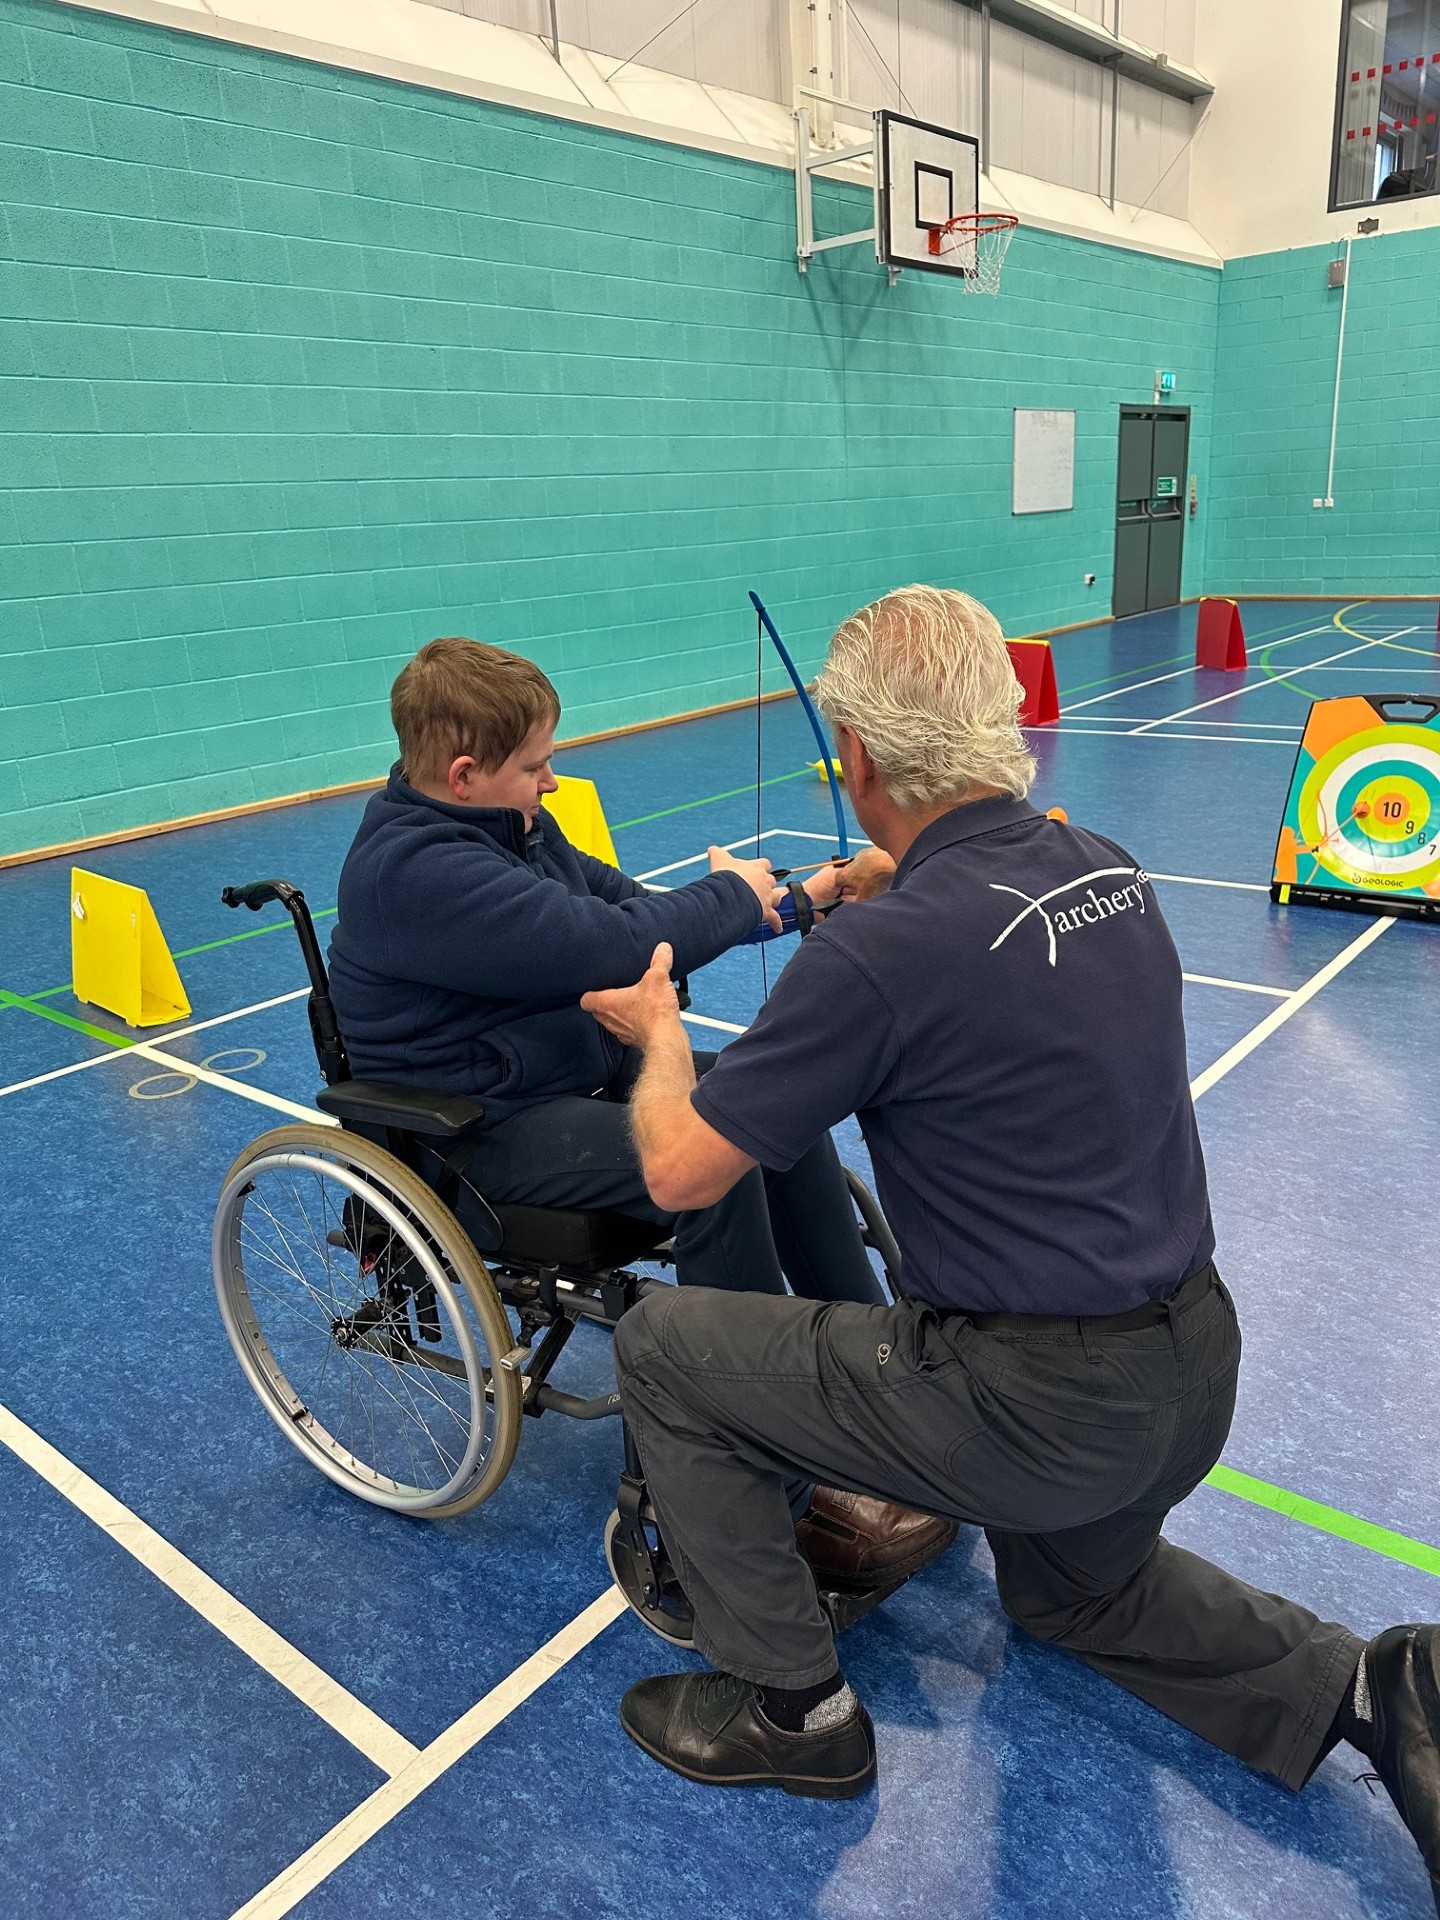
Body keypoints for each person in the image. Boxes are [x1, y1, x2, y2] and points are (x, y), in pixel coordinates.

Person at [584, 586, 1440, 1912]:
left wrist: (654, 1037)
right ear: (1007, 726)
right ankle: (1380, 1685)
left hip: (1029, 1407)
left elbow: (681, 1168)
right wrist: (900, 884)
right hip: (1190, 1371)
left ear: (857, 760)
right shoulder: (1107, 866)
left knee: (665, 1344)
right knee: (1072, 1604)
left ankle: (794, 1716)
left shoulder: (877, 955)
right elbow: (986, 945)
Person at [327, 635, 955, 1585]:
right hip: (469, 1133)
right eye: (536, 765)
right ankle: (768, 1471)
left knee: (770, 1093)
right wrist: (726, 900)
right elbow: (616, 944)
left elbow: (623, 902)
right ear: (464, 774)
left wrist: (791, 899)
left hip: (556, 1077)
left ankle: (870, 1370)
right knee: (708, 1160)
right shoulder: (417, 871)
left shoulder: (510, 826)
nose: (551, 778)